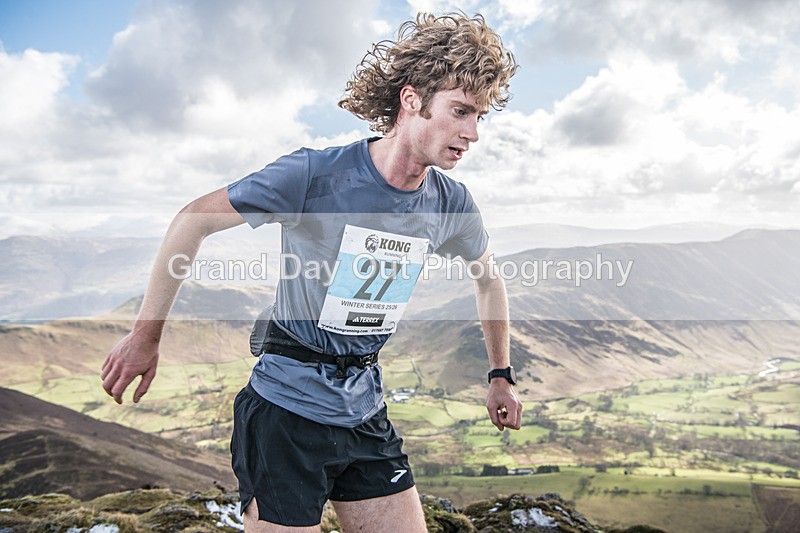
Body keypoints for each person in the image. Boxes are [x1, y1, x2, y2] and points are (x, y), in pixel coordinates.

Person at [101, 12, 522, 532]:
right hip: (284, 414)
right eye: (461, 111)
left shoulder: (450, 203)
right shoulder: (314, 176)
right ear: (412, 100)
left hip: (364, 411)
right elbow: (193, 221)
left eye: (480, 116)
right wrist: (145, 336)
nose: (472, 133)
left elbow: (489, 280)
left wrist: (499, 375)